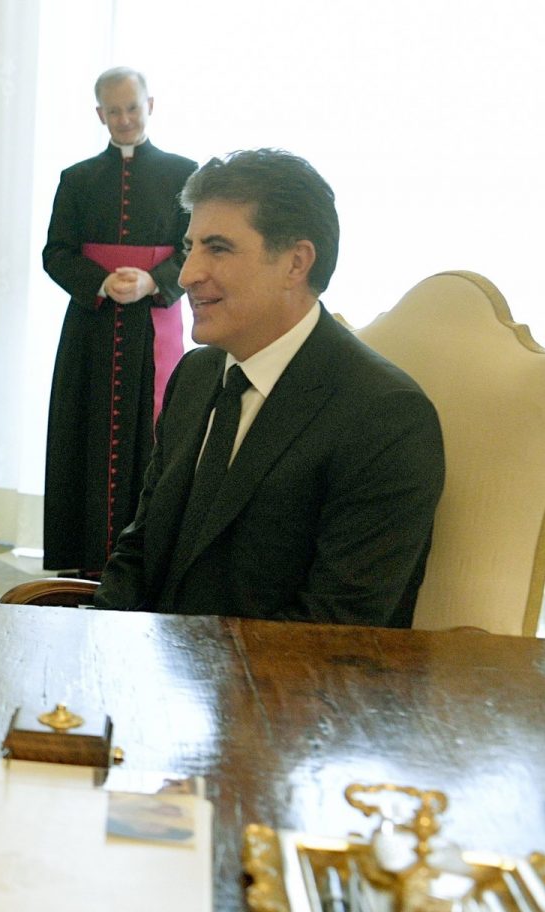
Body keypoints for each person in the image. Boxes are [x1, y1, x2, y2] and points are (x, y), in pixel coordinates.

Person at [92, 149, 444, 626]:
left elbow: (335, 626)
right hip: (150, 657)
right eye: (190, 247)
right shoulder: (196, 374)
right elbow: (140, 548)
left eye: (218, 248)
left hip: (272, 673)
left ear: (296, 263)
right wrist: (100, 637)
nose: (188, 273)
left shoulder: (386, 417)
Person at [42, 67, 197, 578]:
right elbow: (55, 253)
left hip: (153, 325)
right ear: (99, 114)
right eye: (114, 110)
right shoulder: (77, 179)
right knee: (83, 433)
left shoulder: (185, 175)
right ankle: (83, 562)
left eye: (132, 107)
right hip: (91, 327)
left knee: (152, 437)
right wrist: (102, 282)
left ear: (150, 105)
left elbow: (194, 250)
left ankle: (144, 562)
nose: (125, 118)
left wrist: (154, 280)